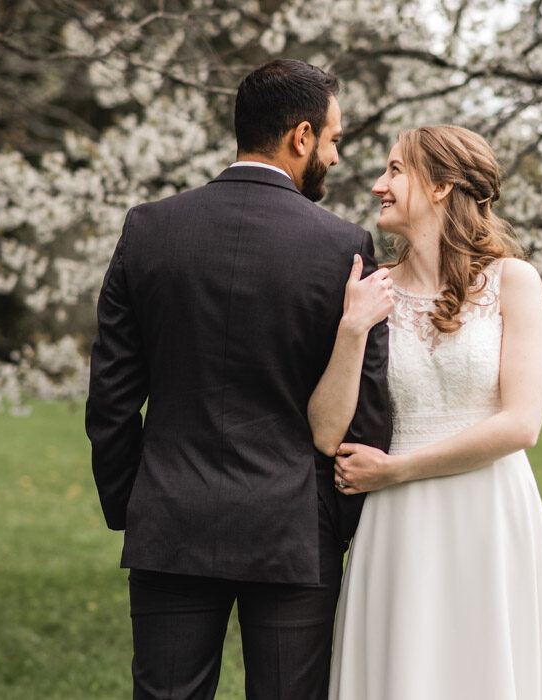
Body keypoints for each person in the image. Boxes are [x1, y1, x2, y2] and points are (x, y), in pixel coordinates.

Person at [85, 59, 393, 700]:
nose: (335, 157)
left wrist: (133, 503)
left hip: (170, 515)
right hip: (294, 529)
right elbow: (366, 409)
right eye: (333, 139)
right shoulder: (343, 247)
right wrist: (337, 522)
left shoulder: (149, 229)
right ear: (301, 137)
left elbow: (111, 397)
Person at [315, 125, 542, 699]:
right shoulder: (373, 289)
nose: (379, 185)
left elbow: (522, 423)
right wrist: (352, 327)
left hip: (488, 510)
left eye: (395, 170)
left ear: (440, 187)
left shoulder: (514, 281)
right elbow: (325, 429)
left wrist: (395, 470)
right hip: (398, 523)